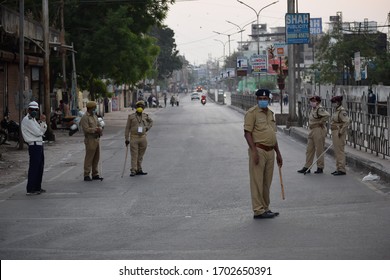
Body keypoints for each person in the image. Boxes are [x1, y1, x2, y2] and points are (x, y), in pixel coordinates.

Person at [244, 89, 283, 219]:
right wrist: (254, 151)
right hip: (258, 150)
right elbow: (247, 133)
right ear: (257, 100)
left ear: (269, 100)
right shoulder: (252, 113)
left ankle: (266, 208)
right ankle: (258, 210)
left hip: (271, 151)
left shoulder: (271, 114)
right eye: (260, 98)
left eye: (265, 99)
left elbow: (273, 134)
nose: (263, 100)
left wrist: (278, 153)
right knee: (257, 181)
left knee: (267, 182)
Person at [297, 95, 330, 174]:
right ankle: (307, 166)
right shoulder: (313, 109)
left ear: (318, 102)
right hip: (312, 130)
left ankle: (320, 167)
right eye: (311, 101)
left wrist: (321, 122)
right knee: (309, 149)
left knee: (319, 149)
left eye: (314, 101)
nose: (312, 102)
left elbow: (327, 115)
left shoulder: (319, 109)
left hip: (318, 130)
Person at [21, 101, 47, 195]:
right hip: (34, 145)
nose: (34, 111)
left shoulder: (33, 119)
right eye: (32, 110)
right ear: (28, 110)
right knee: (34, 167)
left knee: (40, 167)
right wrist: (42, 126)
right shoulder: (27, 120)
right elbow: (39, 132)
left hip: (39, 145)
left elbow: (42, 130)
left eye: (36, 110)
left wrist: (43, 122)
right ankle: (30, 188)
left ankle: (37, 187)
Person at [125, 100, 153, 177]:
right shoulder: (131, 117)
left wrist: (147, 128)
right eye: (139, 106)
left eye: (142, 107)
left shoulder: (145, 116)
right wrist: (126, 138)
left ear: (143, 108)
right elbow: (127, 128)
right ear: (136, 108)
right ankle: (133, 170)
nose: (140, 108)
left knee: (140, 155)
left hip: (143, 137)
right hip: (134, 137)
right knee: (134, 155)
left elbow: (151, 122)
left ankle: (139, 169)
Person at [80, 101, 103, 181]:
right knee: (89, 157)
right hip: (90, 139)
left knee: (96, 157)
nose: (95, 109)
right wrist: (95, 130)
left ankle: (95, 173)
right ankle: (86, 174)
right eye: (94, 108)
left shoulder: (94, 116)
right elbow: (86, 129)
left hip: (96, 139)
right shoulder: (85, 117)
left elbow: (99, 124)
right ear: (90, 108)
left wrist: (100, 129)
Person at [330, 96, 350, 176]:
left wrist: (341, 131)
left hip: (339, 133)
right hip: (335, 131)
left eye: (334, 102)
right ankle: (338, 168)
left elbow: (347, 121)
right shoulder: (336, 110)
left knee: (340, 151)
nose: (333, 104)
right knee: (337, 151)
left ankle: (342, 169)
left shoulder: (342, 111)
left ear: (338, 102)